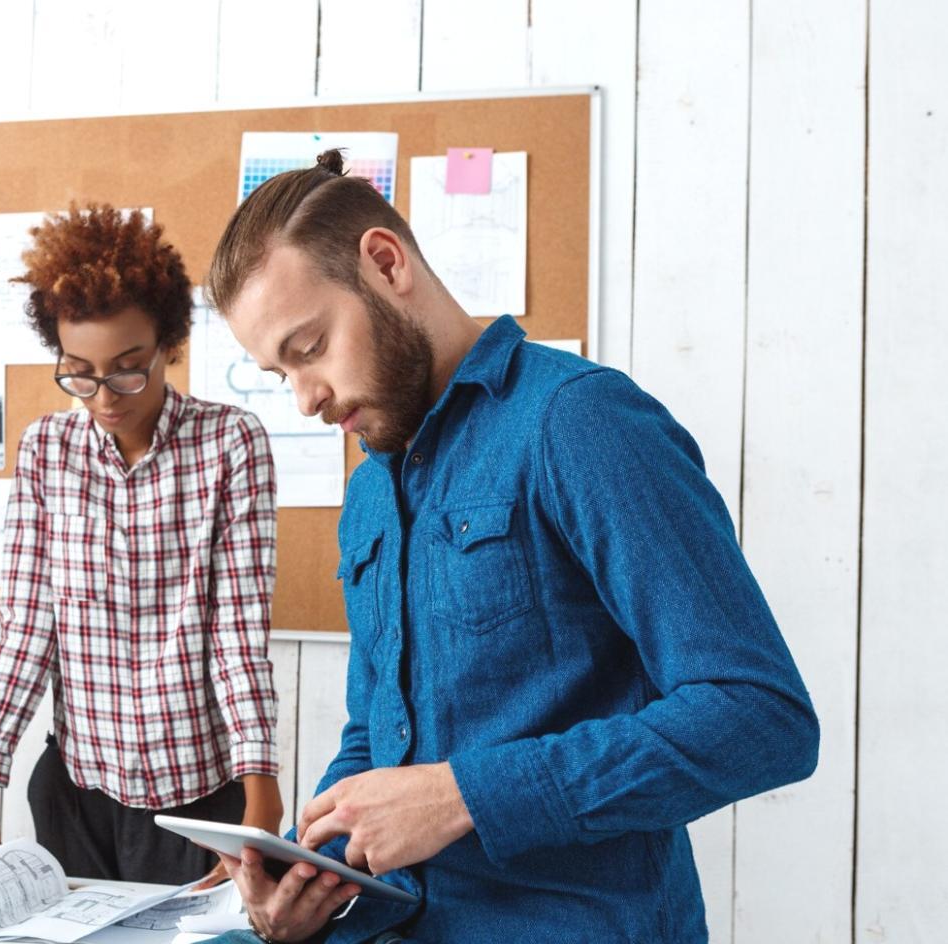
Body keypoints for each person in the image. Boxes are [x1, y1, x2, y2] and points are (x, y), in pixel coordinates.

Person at [201, 151, 820, 943]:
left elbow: (761, 718)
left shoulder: (579, 423)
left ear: (385, 264)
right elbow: (378, 733)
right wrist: (312, 869)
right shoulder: (370, 489)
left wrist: (465, 796)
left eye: (310, 346)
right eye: (277, 372)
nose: (304, 397)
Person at [0, 205, 283, 885]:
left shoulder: (230, 444)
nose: (104, 396)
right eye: (79, 372)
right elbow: (26, 632)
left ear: (168, 342)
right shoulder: (47, 451)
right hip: (75, 797)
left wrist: (261, 794)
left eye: (128, 368)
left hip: (199, 801)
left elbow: (236, 633)